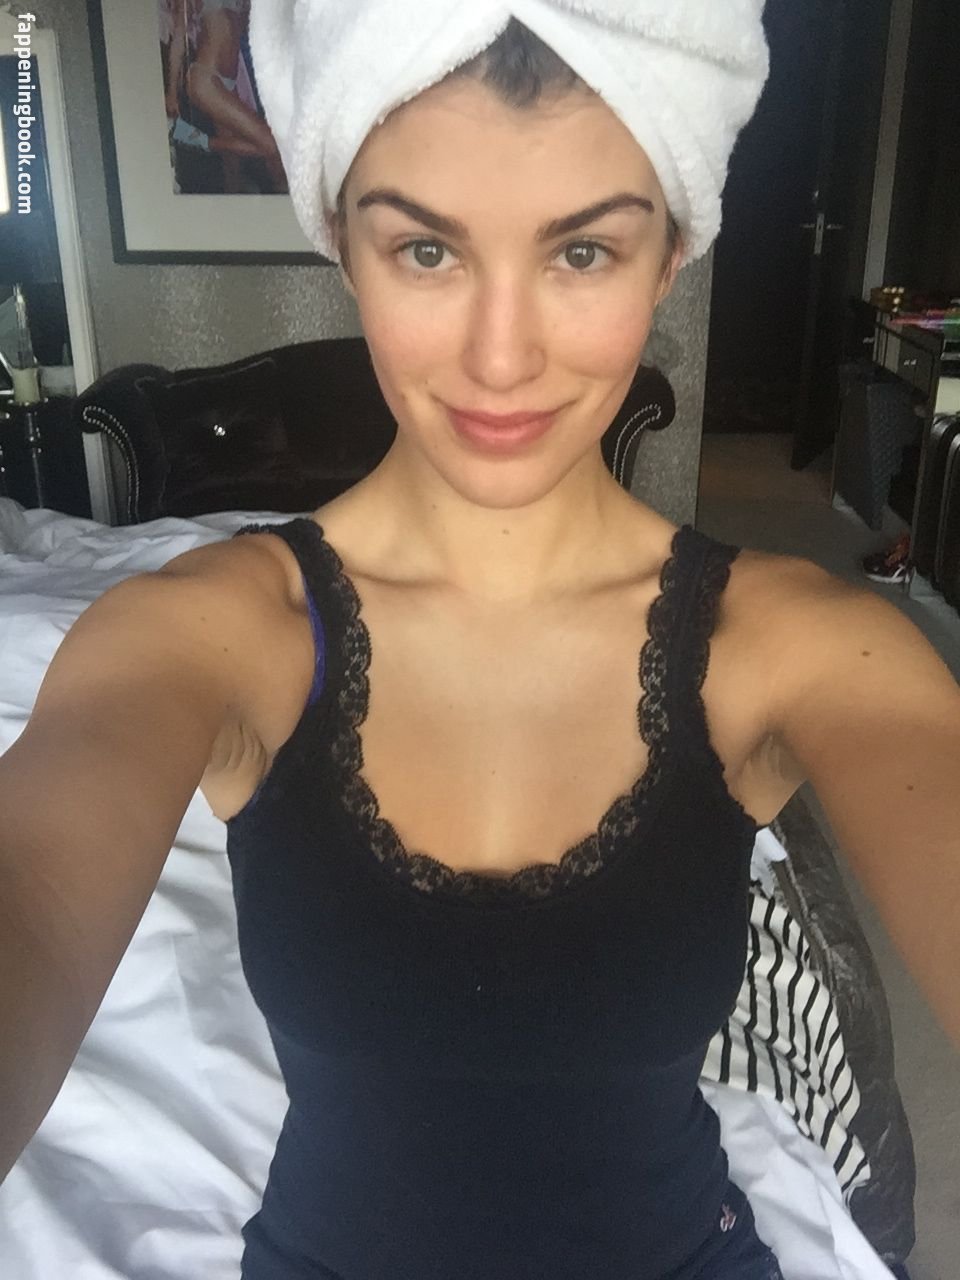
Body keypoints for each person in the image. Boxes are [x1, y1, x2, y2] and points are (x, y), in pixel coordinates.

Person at [1, 6, 958, 1279]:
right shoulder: (209, 633)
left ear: (671, 252)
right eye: (427, 250)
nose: (501, 358)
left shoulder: (797, 645)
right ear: (345, 242)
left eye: (583, 251)